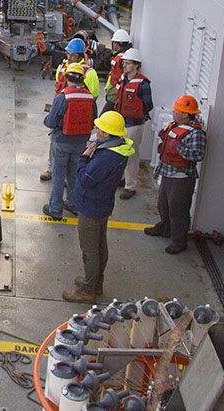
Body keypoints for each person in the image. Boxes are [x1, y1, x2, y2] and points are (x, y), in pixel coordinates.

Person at [62, 111, 134, 303]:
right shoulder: (119, 149)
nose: (96, 129)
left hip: (91, 205)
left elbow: (86, 180)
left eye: (100, 128)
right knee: (100, 245)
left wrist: (85, 158)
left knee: (90, 250)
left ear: (108, 134)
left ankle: (88, 290)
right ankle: (95, 281)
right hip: (103, 203)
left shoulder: (105, 158)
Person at [146, 95, 208, 254]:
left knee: (178, 210)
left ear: (186, 114)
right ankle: (165, 228)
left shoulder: (196, 134)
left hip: (181, 177)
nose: (173, 112)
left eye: (177, 110)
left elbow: (197, 155)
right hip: (167, 173)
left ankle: (179, 241)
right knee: (163, 204)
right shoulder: (174, 125)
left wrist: (178, 146)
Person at [41, 63, 97, 221]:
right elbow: (93, 120)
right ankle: (73, 204)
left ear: (66, 78)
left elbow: (51, 122)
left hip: (62, 142)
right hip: (80, 143)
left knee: (58, 176)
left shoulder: (62, 97)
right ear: (82, 80)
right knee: (74, 175)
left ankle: (55, 209)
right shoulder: (90, 98)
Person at [41, 37, 99, 181]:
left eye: (72, 55)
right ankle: (51, 169)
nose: (69, 57)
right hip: (60, 110)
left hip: (76, 115)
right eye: (68, 54)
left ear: (79, 56)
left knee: (75, 148)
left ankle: (69, 177)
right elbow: (58, 84)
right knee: (53, 141)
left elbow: (94, 96)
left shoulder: (89, 73)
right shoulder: (63, 67)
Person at [113, 47, 153, 199]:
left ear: (136, 65)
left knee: (131, 155)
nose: (125, 66)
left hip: (134, 124)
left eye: (128, 63)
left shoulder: (143, 84)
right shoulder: (122, 79)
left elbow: (148, 104)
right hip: (121, 122)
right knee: (119, 152)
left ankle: (131, 186)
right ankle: (123, 179)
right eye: (124, 63)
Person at [103, 29, 132, 112]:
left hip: (115, 93)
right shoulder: (124, 58)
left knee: (103, 118)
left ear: (116, 43)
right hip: (116, 91)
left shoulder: (121, 59)